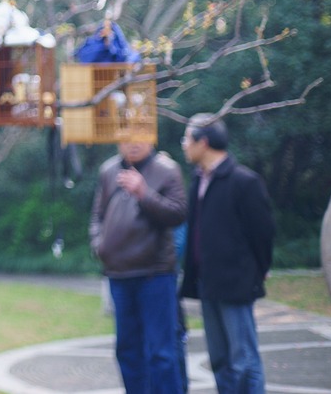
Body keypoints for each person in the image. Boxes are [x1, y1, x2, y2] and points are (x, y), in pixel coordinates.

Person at [180, 114, 275, 394]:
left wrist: (256, 272)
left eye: (187, 138)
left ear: (203, 142)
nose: (184, 145)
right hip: (208, 283)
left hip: (236, 284)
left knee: (244, 360)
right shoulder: (198, 180)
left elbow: (263, 234)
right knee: (220, 360)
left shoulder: (244, 181)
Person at [90, 137, 188, 394]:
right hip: (118, 273)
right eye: (125, 138)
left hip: (155, 274)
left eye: (139, 137)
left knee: (161, 352)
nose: (132, 143)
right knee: (127, 349)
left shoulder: (166, 170)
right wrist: (98, 244)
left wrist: (144, 193)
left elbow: (178, 213)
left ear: (151, 137)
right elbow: (97, 216)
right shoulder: (108, 170)